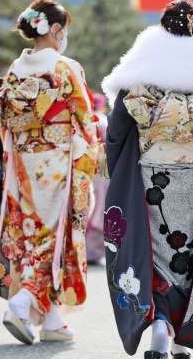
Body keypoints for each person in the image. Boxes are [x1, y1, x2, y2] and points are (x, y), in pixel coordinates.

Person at [102, 0, 193, 359]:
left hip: (152, 177)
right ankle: (179, 335)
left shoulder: (141, 70)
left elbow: (117, 132)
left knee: (158, 251)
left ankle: (162, 329)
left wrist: (118, 170)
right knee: (191, 252)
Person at [0, 0, 100, 344]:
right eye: (63, 29)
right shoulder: (64, 67)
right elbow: (84, 119)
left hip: (22, 163)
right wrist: (90, 157)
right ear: (54, 29)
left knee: (31, 234)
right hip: (57, 163)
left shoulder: (14, 70)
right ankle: (22, 303)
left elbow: (4, 122)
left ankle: (51, 320)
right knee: (56, 234)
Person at [84, 92, 108, 265]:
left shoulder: (86, 118)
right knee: (99, 208)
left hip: (87, 165)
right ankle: (94, 252)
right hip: (102, 167)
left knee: (90, 206)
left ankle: (87, 251)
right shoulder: (102, 119)